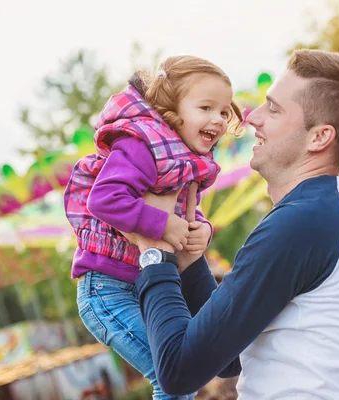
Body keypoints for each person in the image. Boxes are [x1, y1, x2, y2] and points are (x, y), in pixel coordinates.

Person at [133, 49, 339, 399]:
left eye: (273, 108)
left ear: (319, 137)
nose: (251, 118)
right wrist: (190, 260)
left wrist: (153, 252)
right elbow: (227, 357)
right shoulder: (327, 213)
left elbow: (178, 372)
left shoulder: (301, 223)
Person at [63, 55, 243, 399]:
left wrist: (199, 228)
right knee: (175, 377)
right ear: (173, 108)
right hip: (108, 289)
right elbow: (104, 199)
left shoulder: (183, 157)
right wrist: (162, 225)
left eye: (224, 111)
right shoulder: (140, 143)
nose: (217, 120)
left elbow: (177, 208)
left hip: (150, 282)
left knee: (197, 368)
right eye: (205, 108)